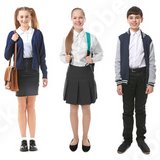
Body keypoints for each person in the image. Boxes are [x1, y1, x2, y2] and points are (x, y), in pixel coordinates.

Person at [4, 6, 47, 152]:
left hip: (33, 71)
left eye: (26, 17)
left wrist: (45, 74)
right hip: (19, 72)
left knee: (32, 106)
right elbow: (6, 55)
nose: (24, 19)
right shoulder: (13, 33)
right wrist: (12, 41)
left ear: (31, 17)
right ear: (17, 18)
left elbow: (42, 56)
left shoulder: (37, 34)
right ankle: (23, 140)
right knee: (22, 106)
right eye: (21, 17)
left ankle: (33, 140)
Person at [60, 7, 103, 153]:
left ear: (84, 19)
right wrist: (65, 58)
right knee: (73, 107)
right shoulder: (67, 38)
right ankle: (75, 137)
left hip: (86, 73)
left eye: (80, 17)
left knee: (86, 107)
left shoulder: (91, 37)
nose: (77, 20)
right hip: (72, 73)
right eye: (75, 18)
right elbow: (61, 55)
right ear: (71, 19)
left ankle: (85, 138)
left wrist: (93, 59)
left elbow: (100, 54)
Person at [115, 6, 155, 155]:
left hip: (142, 77)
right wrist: (119, 81)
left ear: (141, 20)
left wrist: (151, 82)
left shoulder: (147, 39)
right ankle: (127, 139)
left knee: (140, 109)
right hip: (127, 78)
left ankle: (140, 138)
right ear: (127, 20)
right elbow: (118, 61)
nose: (134, 20)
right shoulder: (122, 38)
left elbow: (151, 61)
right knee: (127, 110)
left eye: (137, 17)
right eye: (131, 18)